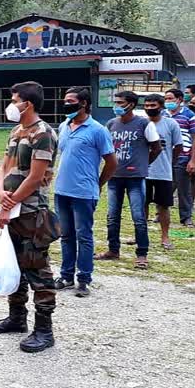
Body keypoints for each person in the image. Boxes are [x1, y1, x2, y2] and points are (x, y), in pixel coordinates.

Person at [0, 81, 59, 353]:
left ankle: (44, 330)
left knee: (36, 267)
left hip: (31, 211)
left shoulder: (43, 133)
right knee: (14, 264)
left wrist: (10, 202)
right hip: (12, 208)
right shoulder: (16, 131)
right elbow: (4, 166)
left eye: (14, 99)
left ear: (27, 104)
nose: (11, 104)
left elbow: (36, 176)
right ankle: (17, 318)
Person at [53, 87, 116, 297]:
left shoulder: (98, 130)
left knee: (84, 236)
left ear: (84, 104)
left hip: (84, 192)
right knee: (66, 235)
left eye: (71, 101)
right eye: (65, 101)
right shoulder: (63, 126)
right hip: (62, 190)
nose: (66, 104)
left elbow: (111, 162)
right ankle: (66, 275)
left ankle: (84, 279)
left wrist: (98, 184)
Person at [96, 91, 162, 270]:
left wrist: (143, 165)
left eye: (120, 102)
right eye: (115, 102)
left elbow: (156, 148)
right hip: (114, 177)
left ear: (131, 104)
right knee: (112, 217)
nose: (116, 105)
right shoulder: (111, 124)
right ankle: (113, 250)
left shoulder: (143, 124)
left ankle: (142, 254)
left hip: (135, 178)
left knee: (138, 217)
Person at [142, 94, 182, 250]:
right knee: (141, 205)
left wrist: (170, 163)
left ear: (161, 106)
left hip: (163, 172)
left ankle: (165, 237)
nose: (149, 108)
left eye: (153, 105)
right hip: (143, 172)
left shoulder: (171, 124)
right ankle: (140, 234)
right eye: (147, 105)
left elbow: (178, 146)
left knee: (163, 206)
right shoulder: (141, 124)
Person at [164, 88, 195, 228]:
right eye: (166, 99)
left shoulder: (189, 115)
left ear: (179, 100)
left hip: (183, 156)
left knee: (184, 189)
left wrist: (192, 160)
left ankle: (186, 217)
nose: (168, 102)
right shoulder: (162, 115)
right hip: (165, 156)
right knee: (165, 187)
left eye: (170, 99)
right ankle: (161, 213)